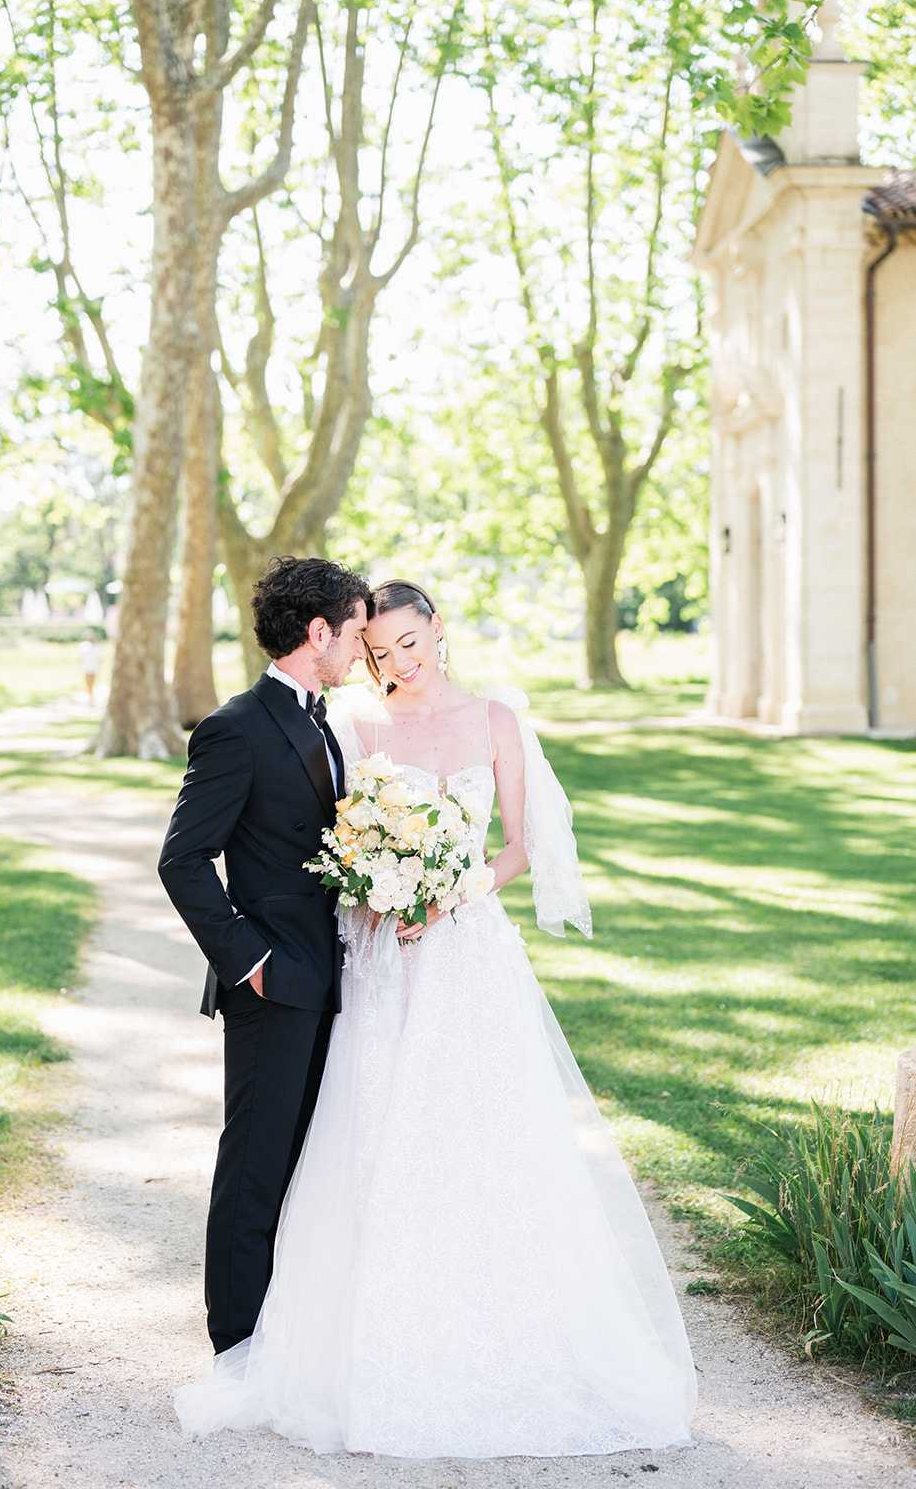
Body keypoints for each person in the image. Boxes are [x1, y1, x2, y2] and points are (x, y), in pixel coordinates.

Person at [171, 576, 698, 1459]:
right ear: (348, 647)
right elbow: (318, 841)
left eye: (406, 645)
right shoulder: (352, 727)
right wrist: (370, 893)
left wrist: (454, 889)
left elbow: (521, 845)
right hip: (370, 961)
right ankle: (297, 1339)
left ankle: (490, 1326)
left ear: (436, 629)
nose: (393, 664)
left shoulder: (494, 721)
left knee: (480, 1139)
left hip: (463, 953)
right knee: (358, 1135)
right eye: (375, 652)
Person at [158, 556, 370, 1358]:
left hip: (336, 975)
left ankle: (284, 1331)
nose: (359, 650)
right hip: (273, 982)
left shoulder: (326, 721)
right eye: (351, 634)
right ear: (316, 633)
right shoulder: (234, 727)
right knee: (254, 1162)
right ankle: (235, 1342)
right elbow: (182, 860)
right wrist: (248, 959)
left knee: (306, 1162)